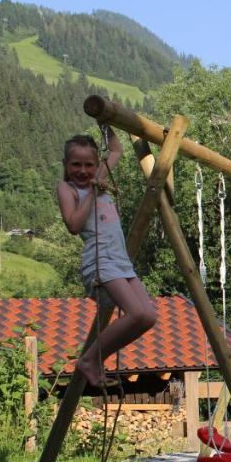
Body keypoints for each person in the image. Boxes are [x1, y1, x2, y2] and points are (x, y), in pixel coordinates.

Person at [56, 127, 157, 387]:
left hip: (121, 261)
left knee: (147, 316)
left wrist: (105, 122)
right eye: (75, 165)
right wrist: (92, 189)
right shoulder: (68, 189)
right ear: (66, 166)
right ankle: (90, 360)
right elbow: (73, 225)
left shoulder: (99, 176)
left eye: (89, 165)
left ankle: (96, 358)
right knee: (135, 313)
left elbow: (116, 150)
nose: (83, 171)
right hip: (100, 261)